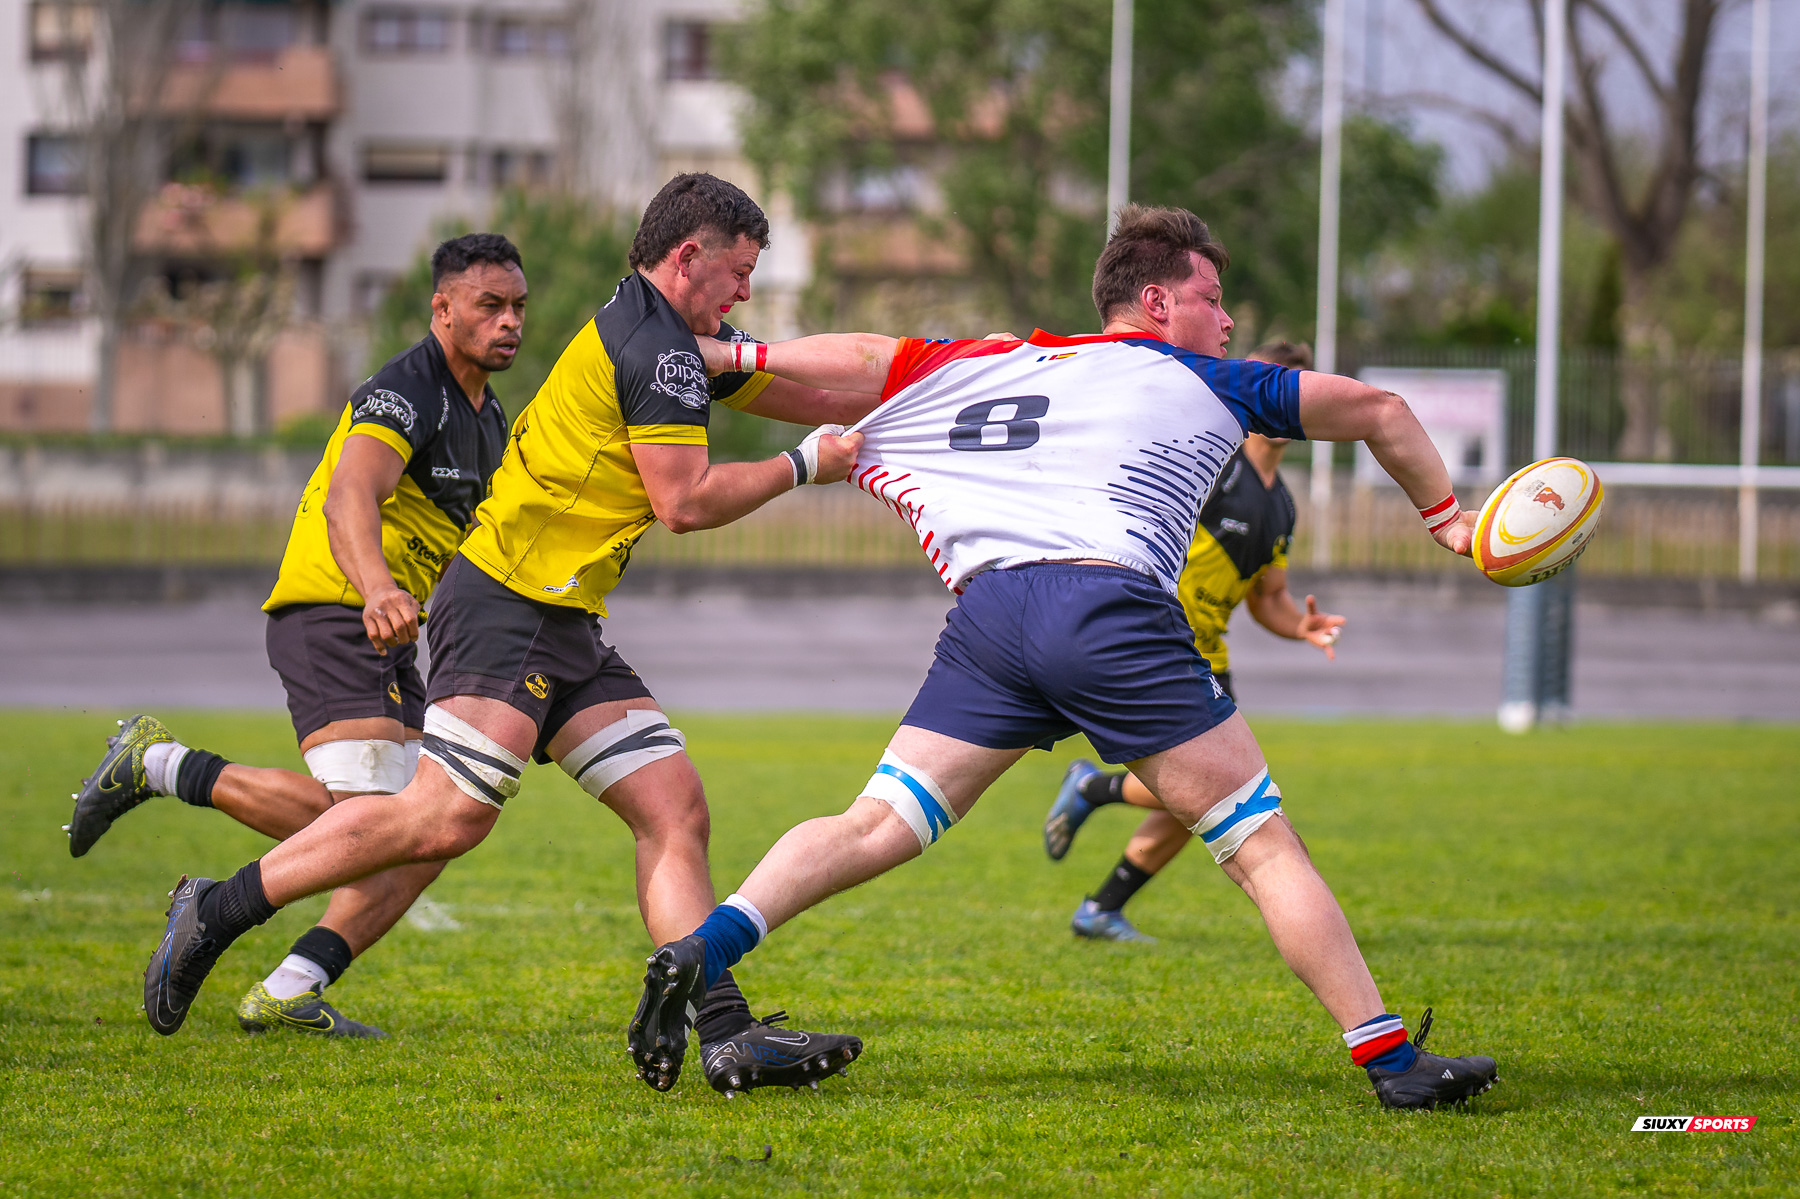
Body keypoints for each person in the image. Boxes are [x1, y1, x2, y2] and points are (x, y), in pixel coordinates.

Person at [627, 204, 1500, 1110]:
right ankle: (1394, 1063)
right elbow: (1381, 410)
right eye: (1214, 296)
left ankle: (704, 945)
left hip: (993, 617)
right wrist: (1451, 522)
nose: (1229, 319)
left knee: (875, 824)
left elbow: (865, 358)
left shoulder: (992, 358)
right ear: (1157, 302)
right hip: (1107, 608)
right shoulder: (1214, 380)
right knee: (1262, 846)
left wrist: (737, 356)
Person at [137, 173, 875, 1097]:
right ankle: (216, 907)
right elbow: (683, 503)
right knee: (441, 817)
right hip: (510, 603)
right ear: (688, 256)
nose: (746, 295)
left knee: (673, 806)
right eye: (740, 272)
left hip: (561, 615)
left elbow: (789, 382)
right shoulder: (658, 348)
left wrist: (898, 405)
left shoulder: (665, 334)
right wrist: (808, 465)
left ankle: (723, 1031)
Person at [71, 233, 526, 1037]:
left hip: (392, 633)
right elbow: (351, 491)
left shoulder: (492, 423)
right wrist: (377, 585)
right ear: (443, 308)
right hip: (335, 606)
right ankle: (162, 771)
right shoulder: (406, 387)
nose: (508, 321)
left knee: (428, 829)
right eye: (490, 305)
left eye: (518, 306)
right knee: (377, 819)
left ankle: (291, 984)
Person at [1044, 340, 1348, 943]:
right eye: (1269, 380)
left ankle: (1100, 908)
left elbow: (1268, 598)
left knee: (1203, 805)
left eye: (1291, 382)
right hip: (1158, 638)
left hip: (1211, 652)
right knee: (1214, 792)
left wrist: (1301, 626)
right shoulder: (1214, 464)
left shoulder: (1281, 505)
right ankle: (1092, 788)